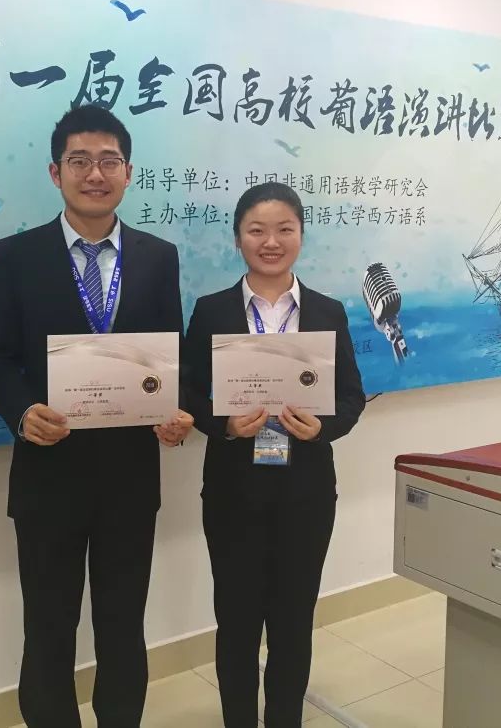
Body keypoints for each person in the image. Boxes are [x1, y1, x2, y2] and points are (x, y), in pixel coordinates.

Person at [0, 104, 194, 728]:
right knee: (48, 628)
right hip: (48, 476)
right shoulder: (16, 256)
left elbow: (168, 354)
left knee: (124, 627)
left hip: (130, 477)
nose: (94, 174)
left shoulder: (157, 257)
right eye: (79, 161)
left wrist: (175, 409)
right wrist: (22, 411)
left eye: (108, 161)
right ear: (56, 172)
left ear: (128, 172)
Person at [183, 181, 366, 728]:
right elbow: (187, 392)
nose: (271, 241)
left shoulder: (327, 311)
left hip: (306, 493)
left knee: (293, 623)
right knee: (236, 624)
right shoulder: (212, 311)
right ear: (237, 238)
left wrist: (321, 428)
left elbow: (351, 398)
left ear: (301, 236)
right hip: (233, 492)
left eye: (284, 229)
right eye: (256, 230)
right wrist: (222, 424)